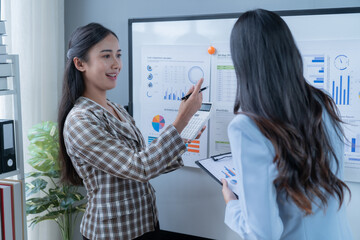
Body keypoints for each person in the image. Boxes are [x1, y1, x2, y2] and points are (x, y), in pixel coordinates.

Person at [58, 23, 204, 240]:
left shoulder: (116, 109)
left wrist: (181, 138)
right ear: (80, 64)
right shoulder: (80, 120)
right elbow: (140, 168)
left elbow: (143, 159)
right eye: (106, 56)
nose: (116, 64)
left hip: (144, 224)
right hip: (112, 234)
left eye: (118, 55)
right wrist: (182, 120)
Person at [221, 9, 353, 240]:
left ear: (242, 63)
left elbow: (264, 234)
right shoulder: (320, 103)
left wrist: (232, 205)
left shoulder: (246, 127)